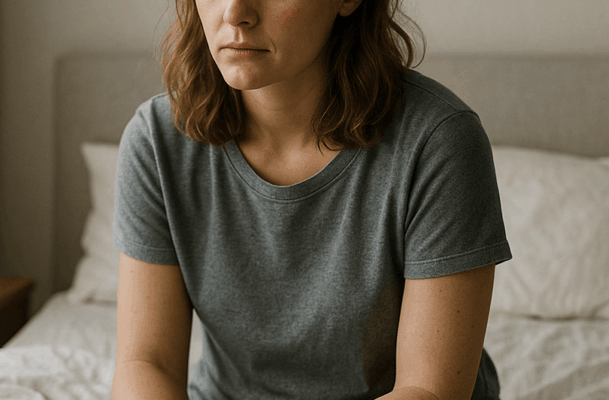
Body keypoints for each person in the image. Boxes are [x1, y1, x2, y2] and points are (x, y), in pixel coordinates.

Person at [111, 0, 512, 398]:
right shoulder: (157, 141)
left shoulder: (438, 142)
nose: (235, 13)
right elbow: (146, 362)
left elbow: (428, 389)